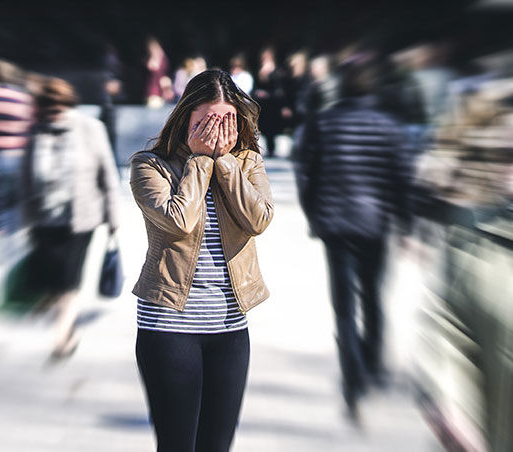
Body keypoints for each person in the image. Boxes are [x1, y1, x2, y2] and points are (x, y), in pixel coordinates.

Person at [129, 69, 273, 452]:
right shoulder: (150, 165)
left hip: (230, 328)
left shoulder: (247, 164)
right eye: (205, 121)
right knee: (177, 445)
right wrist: (199, 162)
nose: (216, 130)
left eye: (225, 120)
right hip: (169, 327)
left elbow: (258, 220)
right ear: (185, 118)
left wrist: (224, 163)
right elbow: (179, 220)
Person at [295, 54, 412, 419]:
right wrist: (406, 223)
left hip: (336, 225)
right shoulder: (388, 126)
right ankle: (373, 366)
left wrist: (314, 214)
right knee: (374, 297)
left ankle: (353, 379)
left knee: (344, 308)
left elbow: (306, 174)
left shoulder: (323, 123)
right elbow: (402, 179)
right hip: (375, 225)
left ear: (341, 85)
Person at [23, 77, 121, 360]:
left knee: (69, 280)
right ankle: (65, 326)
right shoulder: (36, 132)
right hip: (44, 220)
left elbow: (107, 174)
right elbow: (26, 179)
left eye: (58, 109)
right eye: (48, 110)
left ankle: (62, 337)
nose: (54, 115)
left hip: (81, 219)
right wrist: (25, 220)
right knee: (54, 282)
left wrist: (113, 216)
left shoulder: (90, 129)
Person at [145, 37, 173, 108]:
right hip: (153, 92)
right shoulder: (154, 57)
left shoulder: (162, 58)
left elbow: (154, 67)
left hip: (160, 92)